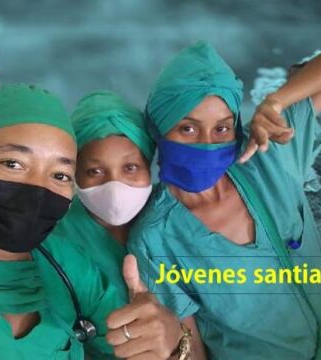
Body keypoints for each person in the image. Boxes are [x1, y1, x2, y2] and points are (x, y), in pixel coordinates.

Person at [0, 84, 191, 359]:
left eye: (59, 175)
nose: (38, 188)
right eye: (13, 164)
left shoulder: (68, 267)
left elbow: (138, 347)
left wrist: (173, 345)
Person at [127, 40, 321, 359]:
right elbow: (192, 348)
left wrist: (278, 101)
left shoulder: (268, 155)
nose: (207, 143)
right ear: (159, 129)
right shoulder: (155, 238)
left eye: (222, 128)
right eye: (187, 128)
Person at [54, 90, 207, 358]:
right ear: (74, 174)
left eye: (130, 168)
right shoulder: (55, 241)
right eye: (95, 171)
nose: (115, 186)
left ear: (149, 166)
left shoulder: (173, 217)